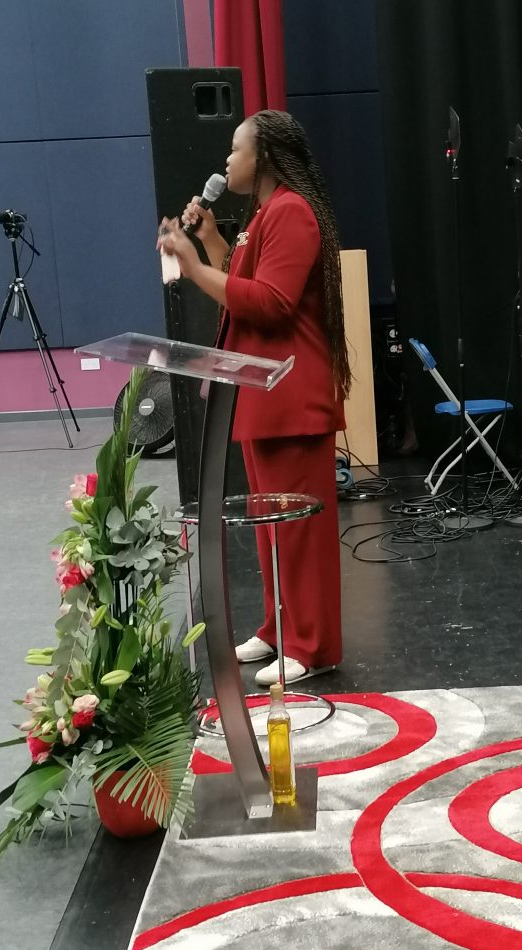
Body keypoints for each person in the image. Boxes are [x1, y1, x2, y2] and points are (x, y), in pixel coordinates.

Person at [157, 109, 350, 685]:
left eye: (234, 150)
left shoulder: (291, 211)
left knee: (299, 531)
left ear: (263, 157)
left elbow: (270, 303)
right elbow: (241, 284)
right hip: (262, 394)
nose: (226, 160)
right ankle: (278, 627)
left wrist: (191, 267)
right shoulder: (265, 214)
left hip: (291, 397)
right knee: (271, 527)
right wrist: (210, 242)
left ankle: (312, 645)